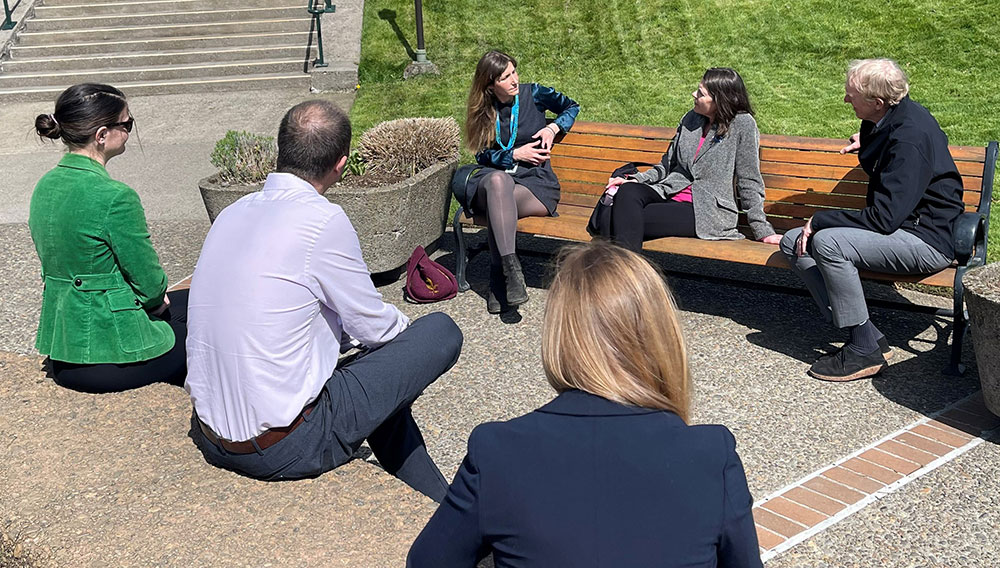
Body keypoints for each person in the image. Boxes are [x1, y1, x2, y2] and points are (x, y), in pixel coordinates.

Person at [408, 242, 761, 567]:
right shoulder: (712, 454)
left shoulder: (498, 450)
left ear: (560, 337)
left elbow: (427, 562)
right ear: (661, 336)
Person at [184, 100, 464, 502]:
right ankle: (451, 513)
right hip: (284, 446)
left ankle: (444, 506)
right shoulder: (322, 220)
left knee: (377, 384)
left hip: (213, 434)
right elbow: (373, 326)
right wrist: (405, 347)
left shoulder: (232, 211)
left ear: (281, 150)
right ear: (341, 164)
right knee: (439, 331)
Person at [779, 59, 965, 382]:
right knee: (793, 242)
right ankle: (868, 336)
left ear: (877, 102)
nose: (845, 100)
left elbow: (883, 218)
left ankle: (862, 350)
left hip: (927, 239)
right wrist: (868, 140)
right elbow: (891, 143)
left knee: (826, 242)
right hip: (901, 227)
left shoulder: (909, 138)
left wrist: (821, 219)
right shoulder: (891, 118)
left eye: (851, 95)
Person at [29, 83, 188, 393]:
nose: (129, 130)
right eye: (126, 124)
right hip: (113, 355)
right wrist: (154, 305)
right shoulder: (115, 197)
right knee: (213, 331)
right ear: (101, 135)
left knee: (196, 301)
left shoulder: (44, 186)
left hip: (64, 348)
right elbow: (151, 287)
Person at [600, 68, 781, 252]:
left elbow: (749, 180)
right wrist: (635, 179)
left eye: (701, 93)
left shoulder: (743, 124)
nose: (694, 94)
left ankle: (628, 276)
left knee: (615, 221)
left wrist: (762, 230)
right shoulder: (691, 118)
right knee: (628, 192)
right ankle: (630, 274)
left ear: (720, 100)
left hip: (706, 210)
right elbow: (666, 165)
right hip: (670, 192)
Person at [457, 50, 580, 314]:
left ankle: (497, 279)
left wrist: (552, 128)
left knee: (497, 203)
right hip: (496, 180)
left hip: (534, 183)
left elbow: (572, 106)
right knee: (499, 184)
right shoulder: (484, 110)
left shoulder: (533, 94)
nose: (514, 80)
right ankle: (511, 273)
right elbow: (481, 153)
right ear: (490, 85)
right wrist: (513, 154)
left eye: (514, 72)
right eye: (505, 77)